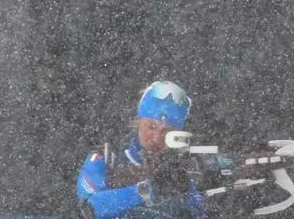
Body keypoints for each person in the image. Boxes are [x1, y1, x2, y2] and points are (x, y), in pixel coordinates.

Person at [75, 81, 206, 219]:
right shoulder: (106, 158)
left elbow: (202, 210)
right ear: (138, 120)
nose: (156, 138)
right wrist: (148, 189)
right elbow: (89, 208)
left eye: (167, 132)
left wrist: (188, 190)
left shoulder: (183, 168)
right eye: (151, 127)